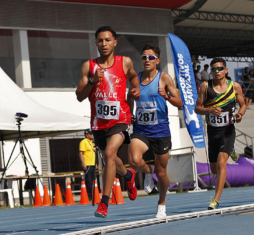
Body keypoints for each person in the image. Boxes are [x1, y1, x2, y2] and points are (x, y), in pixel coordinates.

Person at [75, 26, 141, 218]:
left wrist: (135, 90)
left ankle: (104, 203)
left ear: (115, 42)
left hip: (120, 119)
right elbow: (80, 96)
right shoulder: (89, 66)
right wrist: (93, 81)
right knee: (110, 159)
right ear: (96, 43)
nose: (103, 44)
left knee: (110, 153)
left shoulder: (125, 62)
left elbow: (134, 77)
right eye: (100, 41)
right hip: (98, 124)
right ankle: (128, 175)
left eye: (107, 40)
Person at [128, 44, 183, 218]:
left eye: (150, 57)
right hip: (141, 130)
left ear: (158, 61)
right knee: (134, 161)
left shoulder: (164, 78)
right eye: (144, 57)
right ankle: (147, 171)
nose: (146, 60)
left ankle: (162, 203)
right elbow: (129, 97)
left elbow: (179, 102)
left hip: (161, 131)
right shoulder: (135, 79)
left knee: (162, 172)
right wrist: (130, 112)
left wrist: (166, 96)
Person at [195, 58, 246, 210]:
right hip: (213, 131)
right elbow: (197, 108)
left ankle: (215, 200)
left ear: (226, 70)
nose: (217, 71)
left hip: (228, 130)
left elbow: (242, 105)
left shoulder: (235, 87)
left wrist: (240, 114)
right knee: (214, 168)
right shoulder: (205, 86)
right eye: (214, 69)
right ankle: (232, 150)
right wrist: (210, 110)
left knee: (222, 162)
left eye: (220, 68)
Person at [79, 129, 96, 200]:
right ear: (87, 135)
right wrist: (83, 163)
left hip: (93, 163)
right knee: (88, 180)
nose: (92, 135)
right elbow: (80, 153)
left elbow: (94, 153)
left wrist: (96, 163)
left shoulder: (93, 142)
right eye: (90, 134)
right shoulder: (84, 142)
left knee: (93, 179)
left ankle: (95, 194)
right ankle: (89, 195)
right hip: (87, 164)